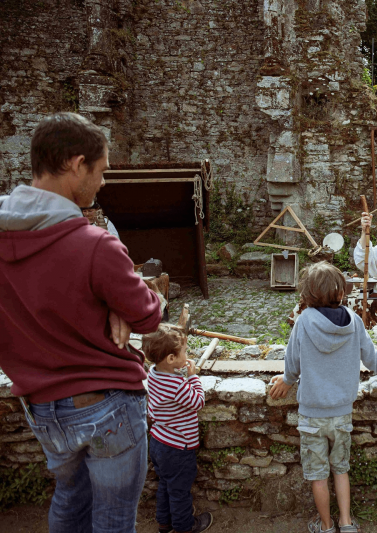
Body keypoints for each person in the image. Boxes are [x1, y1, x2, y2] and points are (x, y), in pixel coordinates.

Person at [0, 112, 162, 531]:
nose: (103, 182)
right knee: (112, 518)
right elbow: (146, 315)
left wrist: (107, 297)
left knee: (69, 503)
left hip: (42, 408)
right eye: (102, 170)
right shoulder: (95, 245)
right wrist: (134, 298)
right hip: (104, 404)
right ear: (76, 164)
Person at [268, 261, 377, 533]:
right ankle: (346, 523)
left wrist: (286, 381)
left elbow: (293, 361)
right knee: (340, 468)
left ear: (306, 293)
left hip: (312, 414)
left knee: (318, 475)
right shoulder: (354, 320)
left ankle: (325, 525)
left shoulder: (304, 321)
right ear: (341, 292)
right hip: (342, 412)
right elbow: (371, 356)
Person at [144, 324, 213, 533]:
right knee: (179, 490)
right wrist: (193, 377)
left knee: (165, 485)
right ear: (171, 359)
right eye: (184, 351)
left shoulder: (153, 374)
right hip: (178, 448)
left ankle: (164, 523)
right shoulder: (177, 385)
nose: (188, 353)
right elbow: (198, 401)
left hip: (158, 442)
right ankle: (185, 526)